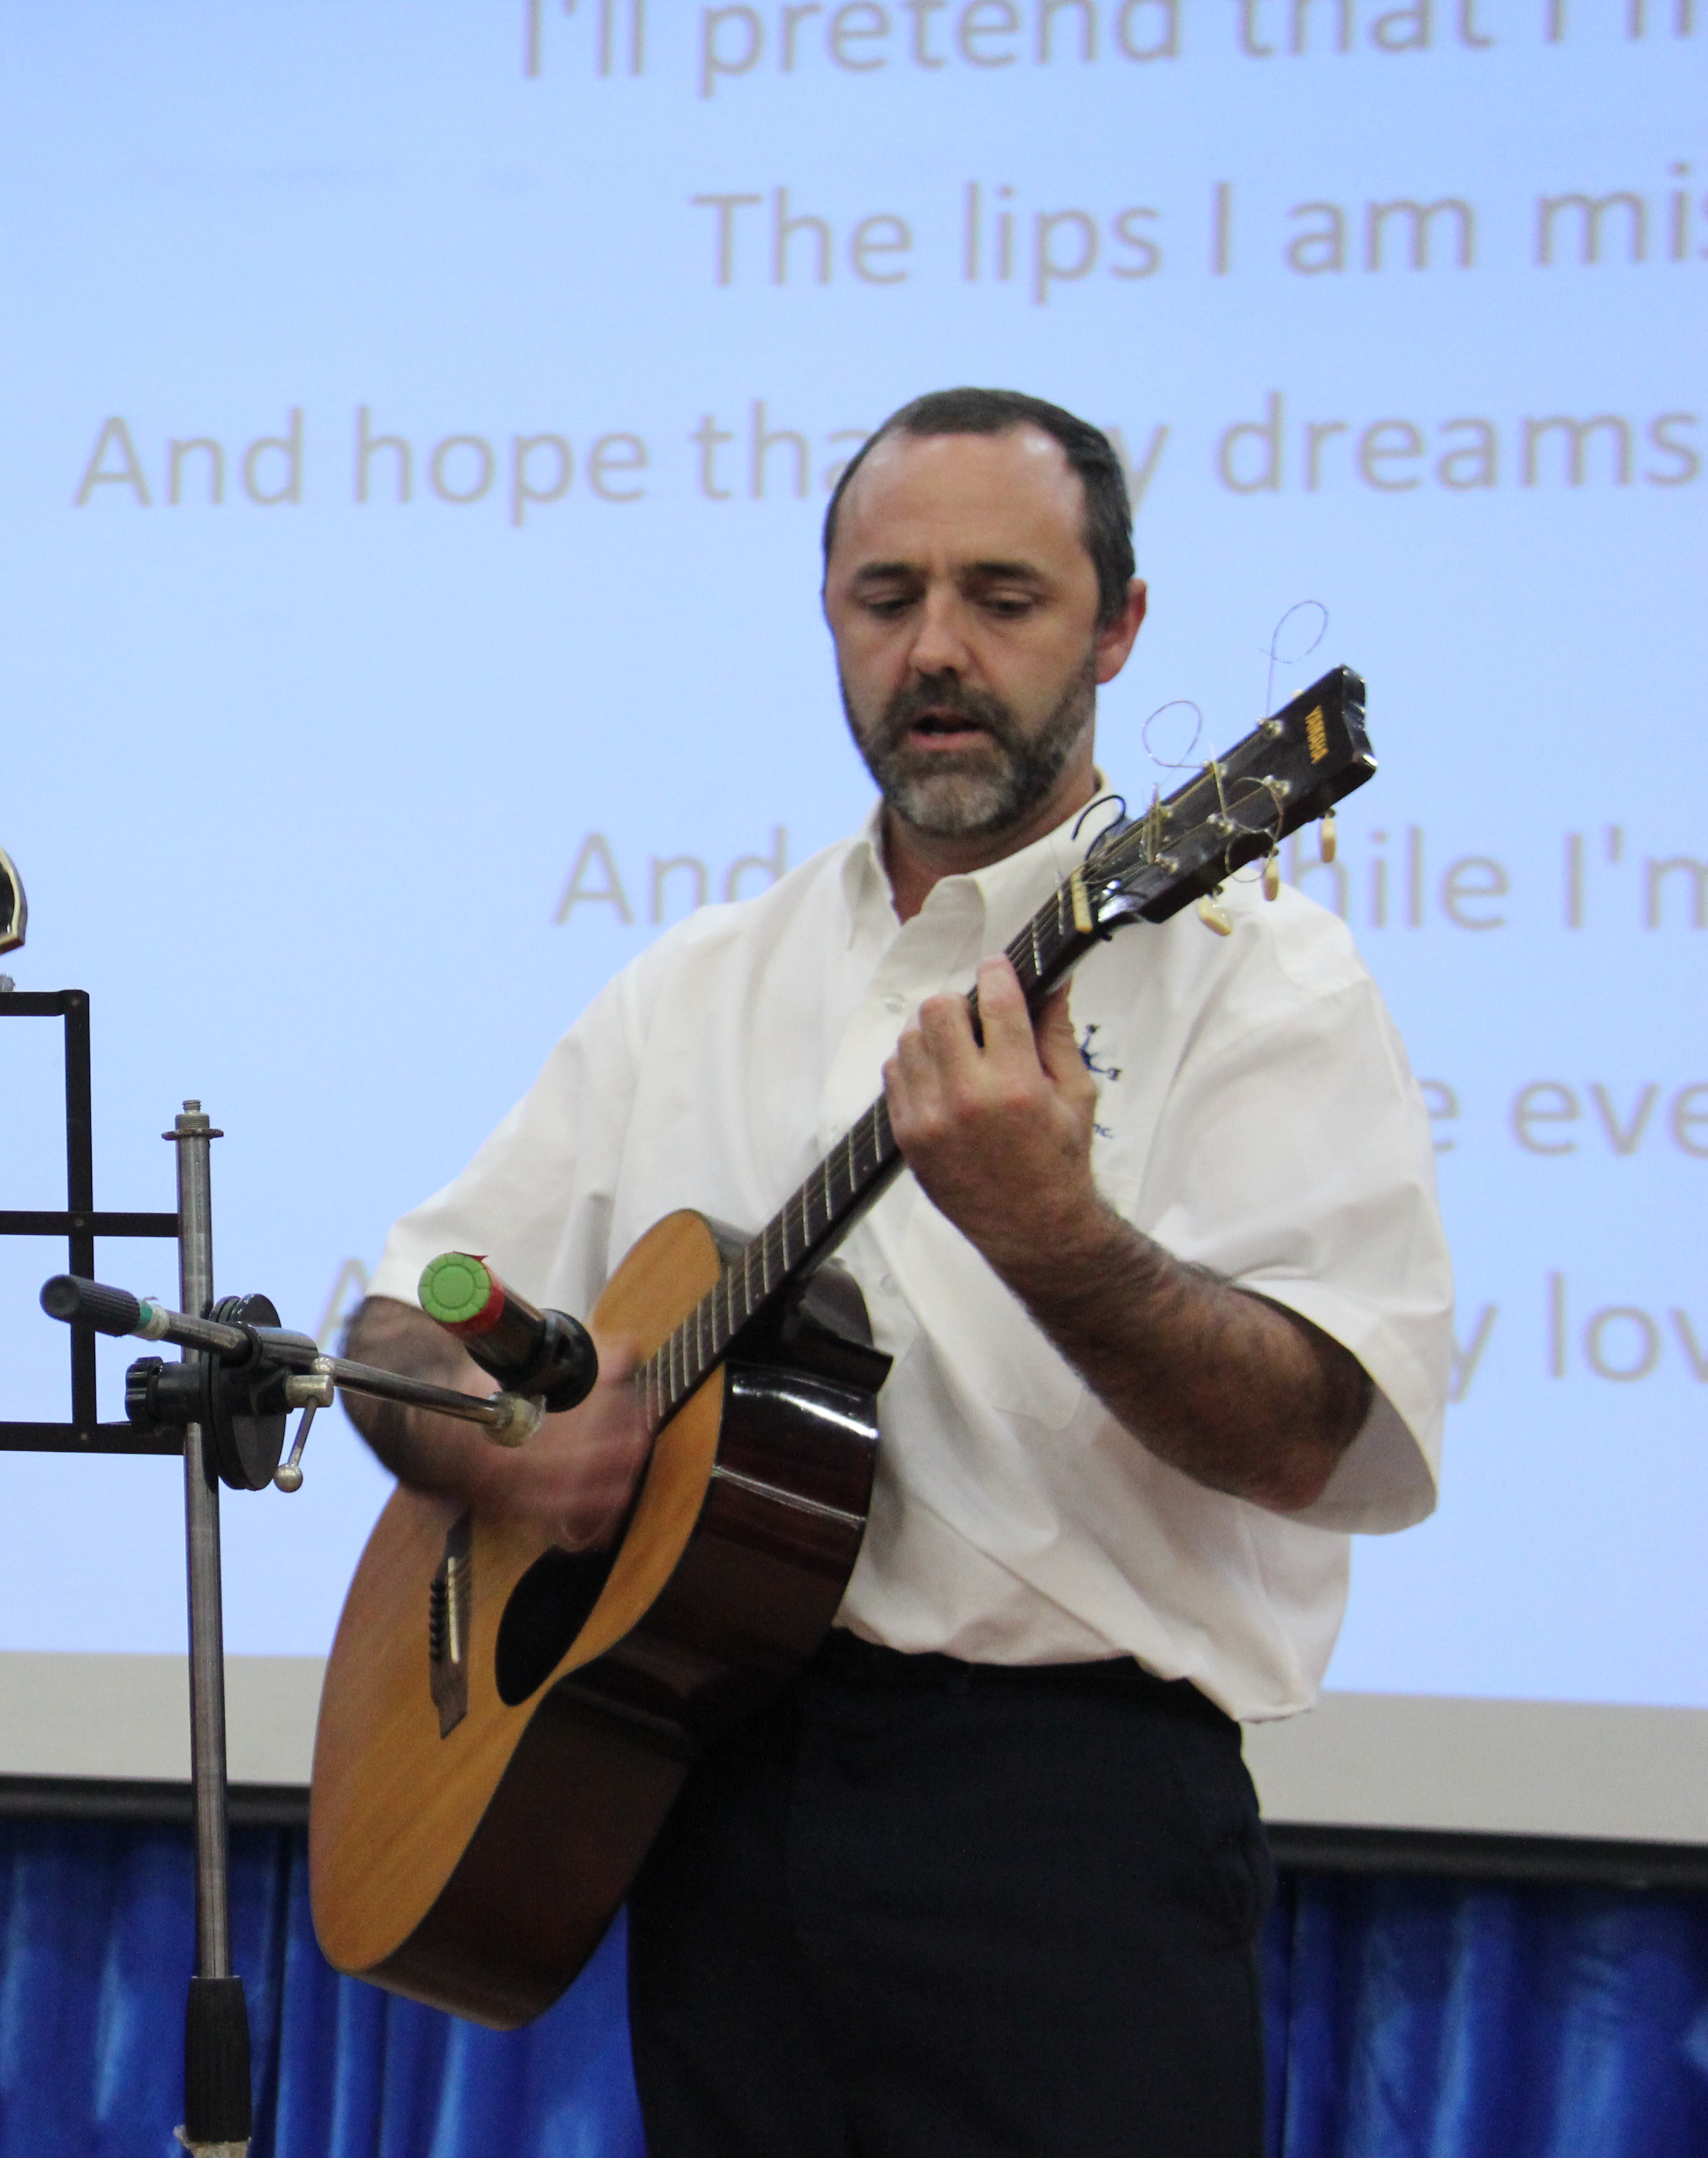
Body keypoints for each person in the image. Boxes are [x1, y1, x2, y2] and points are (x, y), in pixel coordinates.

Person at [342, 387, 1450, 2157]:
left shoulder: (1263, 979)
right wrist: (495, 1441)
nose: (935, 648)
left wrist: (1050, 1234)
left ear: (1120, 627)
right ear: (831, 618)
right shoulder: (704, 978)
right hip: (710, 1794)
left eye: (1003, 598)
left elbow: (1312, 1434)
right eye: (886, 597)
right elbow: (403, 1320)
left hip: (1068, 1840)